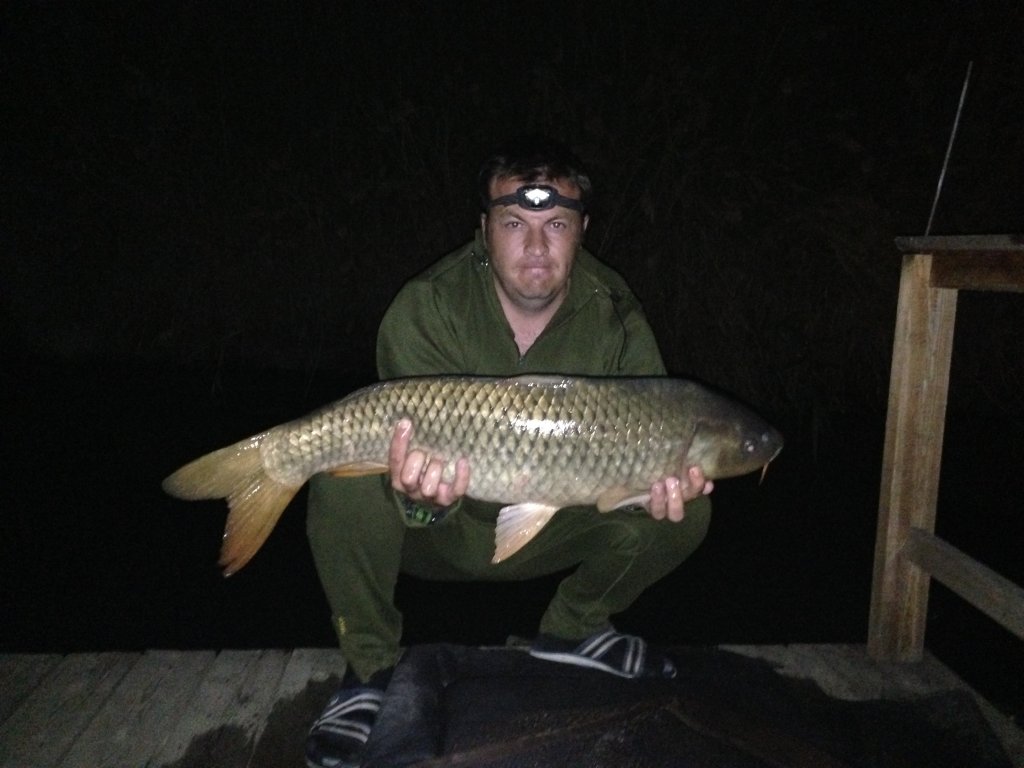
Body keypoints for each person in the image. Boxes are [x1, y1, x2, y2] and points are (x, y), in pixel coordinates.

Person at [304, 136, 713, 768]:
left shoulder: (617, 318)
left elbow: (649, 447)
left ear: (583, 232)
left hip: (553, 527)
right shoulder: (427, 306)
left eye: (556, 225)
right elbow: (413, 481)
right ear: (484, 230)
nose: (536, 246)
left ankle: (574, 628)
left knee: (688, 507)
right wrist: (422, 500)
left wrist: (651, 490)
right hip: (434, 530)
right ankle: (369, 670)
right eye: (515, 223)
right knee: (341, 479)